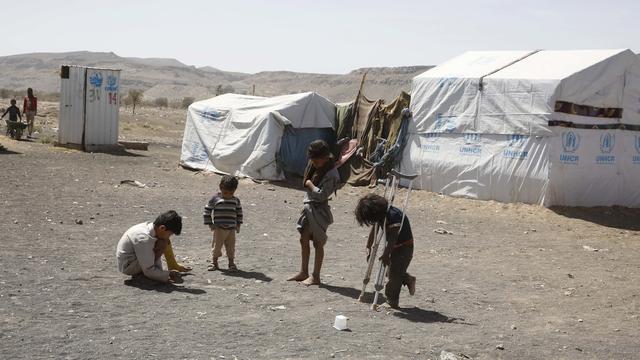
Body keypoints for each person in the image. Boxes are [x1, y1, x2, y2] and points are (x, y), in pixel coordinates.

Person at [288, 140, 340, 286]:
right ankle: (303, 271)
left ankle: (315, 276)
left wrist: (310, 184)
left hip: (319, 210)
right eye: (313, 161)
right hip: (308, 207)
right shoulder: (312, 166)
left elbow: (322, 195)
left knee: (318, 243)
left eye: (317, 161)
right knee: (303, 239)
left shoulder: (332, 174)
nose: (315, 164)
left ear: (325, 157)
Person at [354, 193, 416, 309]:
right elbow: (375, 229)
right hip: (393, 247)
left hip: (403, 248)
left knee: (393, 276)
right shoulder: (380, 215)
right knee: (392, 272)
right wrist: (368, 245)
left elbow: (393, 237)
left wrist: (386, 255)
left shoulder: (393, 215)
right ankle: (408, 279)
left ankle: (392, 301)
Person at [116, 210, 184, 283]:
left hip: (136, 259)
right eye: (169, 234)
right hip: (128, 266)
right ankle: (143, 275)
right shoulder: (143, 238)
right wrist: (168, 275)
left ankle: (154, 274)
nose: (169, 237)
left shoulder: (152, 228)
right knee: (163, 244)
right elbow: (149, 269)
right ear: (162, 228)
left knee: (163, 242)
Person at [203, 175, 243, 271]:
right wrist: (210, 224)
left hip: (231, 229)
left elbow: (239, 213)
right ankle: (214, 262)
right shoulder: (215, 199)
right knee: (216, 247)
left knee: (231, 248)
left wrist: (238, 225)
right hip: (219, 228)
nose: (228, 195)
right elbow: (207, 211)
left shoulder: (235, 200)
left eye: (231, 192)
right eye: (225, 192)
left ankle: (231, 263)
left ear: (235, 190)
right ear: (220, 188)